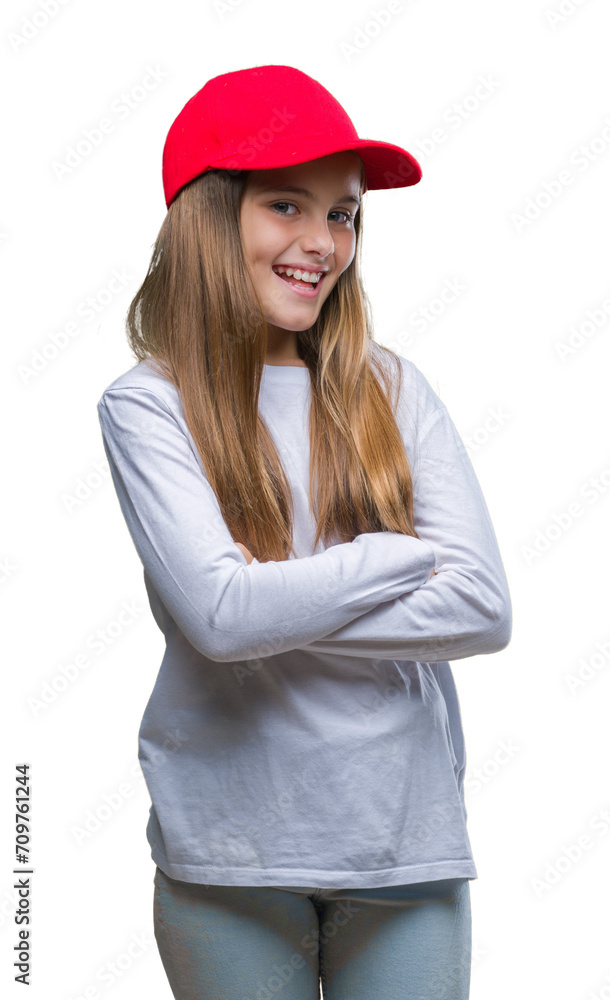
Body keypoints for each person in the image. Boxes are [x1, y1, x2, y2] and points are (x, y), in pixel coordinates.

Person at [97, 64, 512, 1000]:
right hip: (228, 852)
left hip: (402, 846)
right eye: (288, 205)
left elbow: (483, 609)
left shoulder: (391, 388)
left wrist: (257, 602)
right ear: (210, 218)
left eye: (344, 214)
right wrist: (387, 560)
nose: (324, 242)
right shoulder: (148, 407)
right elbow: (219, 618)